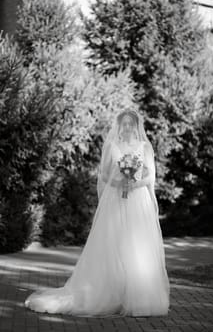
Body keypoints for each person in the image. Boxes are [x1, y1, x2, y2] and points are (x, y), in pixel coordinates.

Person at [24, 107, 170, 317]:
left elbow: (151, 178)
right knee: (113, 247)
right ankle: (110, 295)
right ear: (120, 125)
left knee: (136, 248)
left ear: (137, 126)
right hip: (115, 201)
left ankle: (137, 298)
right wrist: (119, 180)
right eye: (124, 123)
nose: (127, 127)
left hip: (138, 202)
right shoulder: (111, 146)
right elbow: (104, 175)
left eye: (131, 123)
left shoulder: (145, 147)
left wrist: (134, 181)